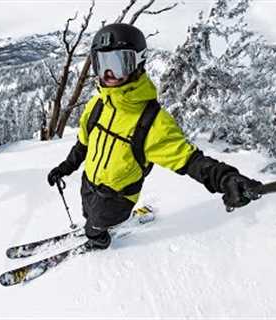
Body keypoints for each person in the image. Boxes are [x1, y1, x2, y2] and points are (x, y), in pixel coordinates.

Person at [47, 23, 262, 250]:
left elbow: (189, 160)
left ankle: (99, 240)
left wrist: (225, 178)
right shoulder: (97, 105)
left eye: (119, 64)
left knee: (95, 226)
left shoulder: (152, 121)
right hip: (88, 184)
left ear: (137, 63)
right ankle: (95, 225)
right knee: (87, 212)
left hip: (117, 198)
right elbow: (83, 144)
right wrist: (64, 168)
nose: (109, 74)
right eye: (102, 64)